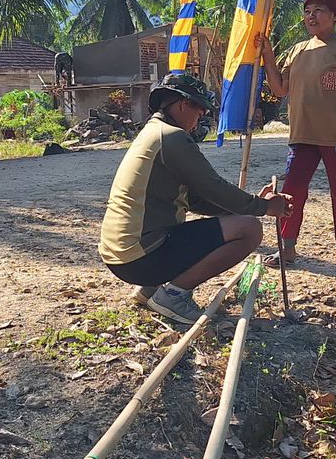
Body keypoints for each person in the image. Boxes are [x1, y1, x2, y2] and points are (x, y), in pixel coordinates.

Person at [99, 73, 292, 325]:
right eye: (199, 114)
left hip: (122, 256)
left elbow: (197, 200)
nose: (197, 122)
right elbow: (214, 188)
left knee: (240, 221)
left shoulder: (153, 133)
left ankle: (150, 289)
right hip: (140, 256)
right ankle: (173, 296)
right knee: (250, 230)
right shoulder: (173, 137)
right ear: (183, 105)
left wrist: (249, 205)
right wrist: (263, 207)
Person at [256, 0, 336, 275]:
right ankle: (287, 248)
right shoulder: (297, 51)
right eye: (307, 11)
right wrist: (267, 55)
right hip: (302, 136)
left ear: (334, 16)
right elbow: (279, 88)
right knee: (292, 192)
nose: (311, 16)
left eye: (319, 10)